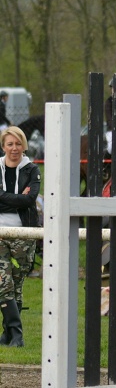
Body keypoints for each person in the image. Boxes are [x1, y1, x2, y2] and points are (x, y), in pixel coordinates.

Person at [0, 126, 41, 347]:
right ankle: (16, 334)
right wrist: (18, 197)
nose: (14, 148)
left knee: (16, 283)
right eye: (10, 144)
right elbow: (22, 199)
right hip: (0, 233)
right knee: (2, 280)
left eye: (18, 144)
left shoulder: (32, 169)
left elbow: (30, 199)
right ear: (3, 146)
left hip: (24, 233)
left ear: (23, 145)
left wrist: (5, 197)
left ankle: (8, 334)